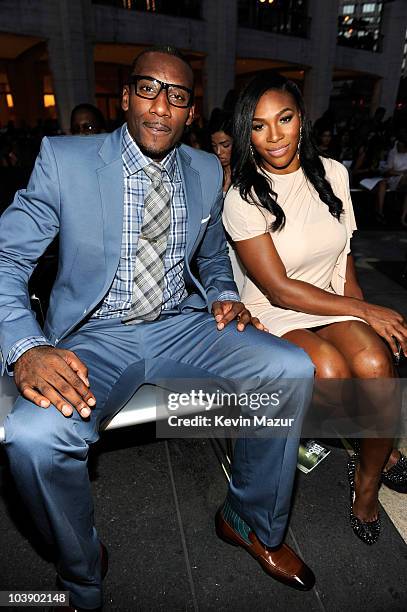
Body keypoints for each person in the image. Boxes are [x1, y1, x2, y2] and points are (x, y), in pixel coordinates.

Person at [0, 48, 316, 611]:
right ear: (124, 98)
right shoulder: (65, 159)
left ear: (190, 112)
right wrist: (26, 346)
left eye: (177, 95)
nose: (160, 106)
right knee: (33, 438)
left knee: (290, 368)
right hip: (95, 336)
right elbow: (7, 259)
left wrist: (221, 293)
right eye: (147, 89)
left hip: (182, 324)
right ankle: (82, 566)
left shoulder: (203, 169)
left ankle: (249, 519)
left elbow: (215, 254)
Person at [223, 71, 407, 547]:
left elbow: (344, 256)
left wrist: (361, 315)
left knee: (373, 361)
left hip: (329, 297)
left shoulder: (334, 174)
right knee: (325, 369)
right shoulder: (242, 197)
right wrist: (364, 314)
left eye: (283, 119)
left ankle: (366, 485)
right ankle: (373, 443)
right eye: (259, 126)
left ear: (301, 119)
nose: (274, 135)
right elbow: (281, 290)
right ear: (248, 133)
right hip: (275, 308)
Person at [375, 131, 407, 226]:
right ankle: (380, 212)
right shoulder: (393, 152)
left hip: (404, 178)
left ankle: (403, 217)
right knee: (383, 183)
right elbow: (389, 170)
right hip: (395, 178)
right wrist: (401, 173)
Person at [209, 109, 233, 194]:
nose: (218, 152)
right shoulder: (212, 173)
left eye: (225, 145)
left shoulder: (248, 174)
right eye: (214, 146)